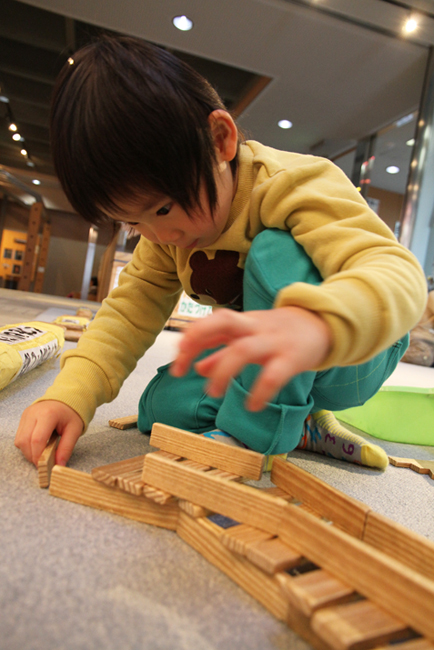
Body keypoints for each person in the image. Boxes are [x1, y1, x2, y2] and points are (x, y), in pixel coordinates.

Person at [15, 35, 427, 471]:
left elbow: (397, 274)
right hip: (270, 364)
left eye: (163, 208)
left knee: (276, 251)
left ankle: (259, 438)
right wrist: (70, 394)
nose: (159, 235)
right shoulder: (163, 235)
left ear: (220, 140)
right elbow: (127, 314)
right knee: (162, 408)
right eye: (132, 223)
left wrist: (320, 324)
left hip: (353, 355)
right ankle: (300, 421)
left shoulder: (295, 183)